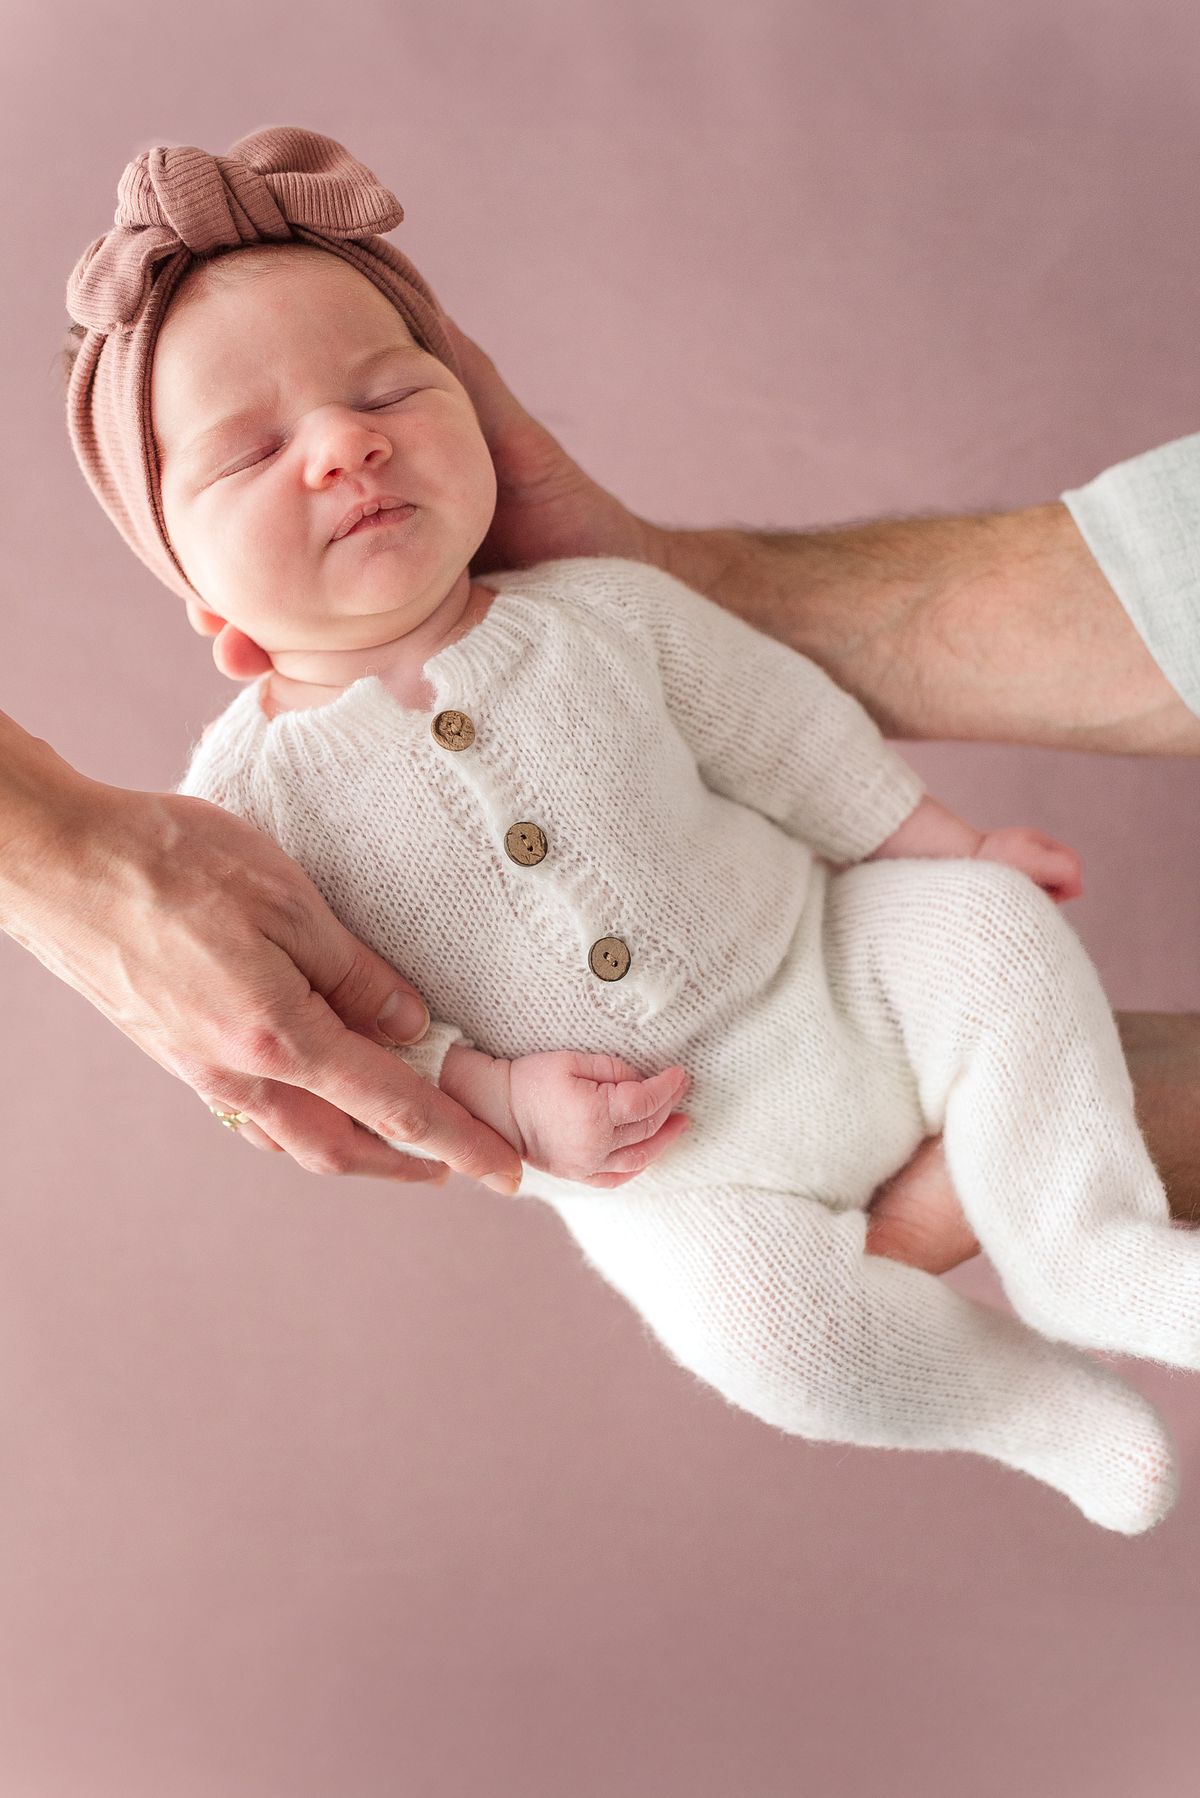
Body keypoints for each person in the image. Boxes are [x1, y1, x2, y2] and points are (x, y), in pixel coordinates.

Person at [55, 125, 1200, 1533]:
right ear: (194, 589)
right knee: (772, 1338)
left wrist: (947, 850)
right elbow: (336, 1028)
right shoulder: (240, 812)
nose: (347, 443)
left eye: (390, 391)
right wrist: (498, 1098)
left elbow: (788, 737)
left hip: (839, 964)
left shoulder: (603, 616)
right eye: (251, 451)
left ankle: (1085, 1243)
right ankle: (1030, 1405)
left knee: (996, 931)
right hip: (669, 1166)